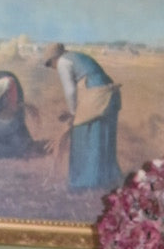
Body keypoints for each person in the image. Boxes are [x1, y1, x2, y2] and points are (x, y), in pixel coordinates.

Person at [42, 42, 122, 190]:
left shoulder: (63, 62)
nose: (51, 68)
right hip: (107, 94)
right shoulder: (76, 57)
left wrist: (73, 114)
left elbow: (71, 91)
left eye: (49, 64)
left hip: (96, 94)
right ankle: (107, 180)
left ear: (54, 59)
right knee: (102, 135)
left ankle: (83, 183)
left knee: (82, 136)